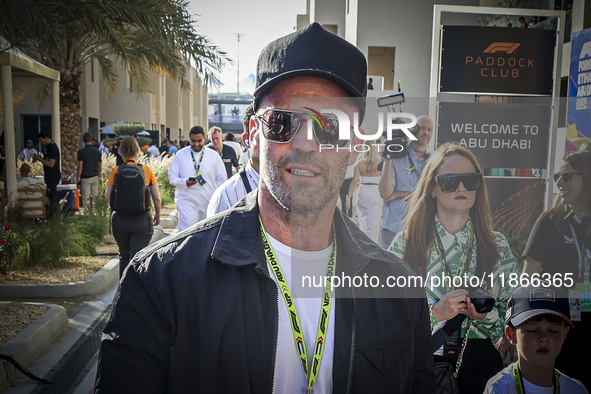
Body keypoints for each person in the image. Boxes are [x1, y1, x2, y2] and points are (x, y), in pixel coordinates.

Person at [95, 22, 434, 393]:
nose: (305, 143)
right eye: (284, 121)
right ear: (254, 137)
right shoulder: (161, 280)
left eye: (330, 126)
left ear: (354, 146)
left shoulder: (398, 292)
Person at [388, 142, 520, 394]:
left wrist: (487, 316)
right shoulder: (407, 243)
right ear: (433, 188)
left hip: (479, 366)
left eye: (470, 180)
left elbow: (513, 318)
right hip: (421, 360)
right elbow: (387, 315)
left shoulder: (497, 245)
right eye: (450, 180)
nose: (461, 187)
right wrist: (436, 313)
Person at [522, 150, 591, 388]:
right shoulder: (549, 222)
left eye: (568, 177)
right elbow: (527, 280)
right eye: (557, 177)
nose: (560, 183)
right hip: (556, 330)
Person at [484, 285, 587, 394]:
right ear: (511, 335)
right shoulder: (499, 389)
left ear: (564, 335)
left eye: (553, 330)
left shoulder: (576, 390)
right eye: (532, 330)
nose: (544, 338)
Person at [104, 137, 161, 277]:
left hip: (119, 220)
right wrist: (157, 215)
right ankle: (137, 293)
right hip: (141, 220)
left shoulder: (116, 171)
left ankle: (122, 294)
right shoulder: (146, 170)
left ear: (121, 151)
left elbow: (107, 196)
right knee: (138, 258)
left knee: (124, 255)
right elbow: (157, 198)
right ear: (137, 151)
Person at [378, 115, 434, 248]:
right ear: (413, 130)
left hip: (420, 228)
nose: (425, 132)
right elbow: (385, 194)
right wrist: (388, 159)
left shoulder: (432, 161)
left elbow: (428, 194)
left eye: (429, 129)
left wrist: (398, 194)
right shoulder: (396, 155)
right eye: (421, 128)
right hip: (394, 227)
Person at [167, 126, 227, 230]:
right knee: (187, 233)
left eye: (199, 141)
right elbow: (172, 176)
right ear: (189, 139)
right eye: (193, 141)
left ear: (204, 138)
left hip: (208, 201)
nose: (196, 144)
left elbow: (222, 180)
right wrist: (185, 182)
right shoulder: (181, 155)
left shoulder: (213, 156)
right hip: (187, 201)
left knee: (206, 234)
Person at [206, 104, 259, 217]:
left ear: (222, 138)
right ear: (248, 140)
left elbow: (237, 166)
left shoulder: (230, 150)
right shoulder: (225, 198)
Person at [345, 143, 383, 242]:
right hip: (375, 192)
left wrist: (349, 198)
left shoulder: (359, 164)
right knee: (374, 223)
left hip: (363, 191)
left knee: (363, 222)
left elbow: (354, 181)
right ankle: (373, 244)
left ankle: (364, 243)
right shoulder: (380, 162)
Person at [76, 132, 102, 214]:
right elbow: (99, 166)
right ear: (91, 140)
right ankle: (96, 213)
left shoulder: (81, 152)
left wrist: (78, 178)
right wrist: (100, 176)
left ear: (83, 140)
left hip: (85, 177)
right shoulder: (97, 152)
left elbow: (80, 166)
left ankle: (87, 214)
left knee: (86, 198)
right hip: (95, 176)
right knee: (95, 197)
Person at [33, 132, 60, 208]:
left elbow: (51, 164)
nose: (41, 143)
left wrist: (39, 159)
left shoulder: (52, 148)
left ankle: (53, 211)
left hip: (53, 175)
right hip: (48, 175)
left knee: (52, 195)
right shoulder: (47, 147)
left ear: (47, 138)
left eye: (42, 141)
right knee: (48, 194)